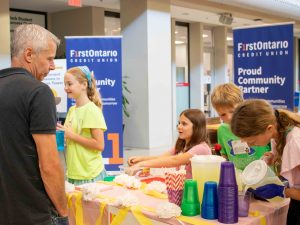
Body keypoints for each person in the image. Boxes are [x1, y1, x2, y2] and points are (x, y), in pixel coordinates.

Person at [0, 24, 68, 224]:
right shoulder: (38, 92)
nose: (53, 66)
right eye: (49, 58)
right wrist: (63, 213)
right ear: (29, 54)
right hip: (30, 213)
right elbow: (49, 164)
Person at [230, 99, 300, 225]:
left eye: (252, 141)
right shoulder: (277, 134)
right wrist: (274, 157)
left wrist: (283, 191)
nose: (250, 145)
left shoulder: (295, 142)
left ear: (269, 128)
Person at [57, 66, 107, 185]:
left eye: (69, 84)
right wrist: (63, 136)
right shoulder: (72, 110)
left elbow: (99, 145)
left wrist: (71, 135)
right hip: (74, 173)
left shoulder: (91, 110)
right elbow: (70, 136)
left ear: (84, 85)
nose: (66, 88)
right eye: (65, 84)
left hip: (90, 174)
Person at [127, 109, 212, 179]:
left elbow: (174, 161)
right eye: (179, 123)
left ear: (197, 127)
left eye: (184, 124)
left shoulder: (201, 148)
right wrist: (141, 159)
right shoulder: (182, 144)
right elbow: (162, 158)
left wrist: (141, 164)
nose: (179, 126)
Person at [210, 83, 270, 170]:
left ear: (242, 105)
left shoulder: (258, 123)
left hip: (263, 174)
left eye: (232, 111)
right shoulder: (222, 130)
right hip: (238, 177)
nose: (229, 117)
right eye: (223, 114)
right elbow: (224, 155)